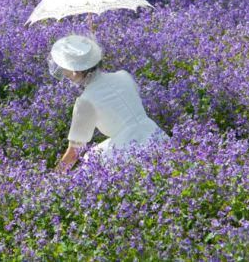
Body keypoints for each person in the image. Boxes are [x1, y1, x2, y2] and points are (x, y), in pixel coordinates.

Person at [48, 35, 168, 173]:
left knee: (90, 164)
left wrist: (54, 178)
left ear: (75, 72)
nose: (63, 71)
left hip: (129, 150)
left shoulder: (86, 100)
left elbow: (74, 151)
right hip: (156, 136)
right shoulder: (124, 76)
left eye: (65, 67)